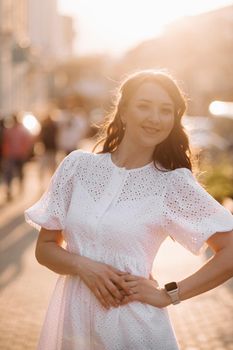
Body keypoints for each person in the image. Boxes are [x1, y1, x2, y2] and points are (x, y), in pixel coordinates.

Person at [24, 70, 233, 350]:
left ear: (173, 120)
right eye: (144, 106)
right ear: (123, 112)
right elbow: (45, 247)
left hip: (134, 327)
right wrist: (84, 266)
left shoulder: (172, 183)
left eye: (165, 110)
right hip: (73, 324)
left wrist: (168, 294)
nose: (155, 118)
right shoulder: (77, 167)